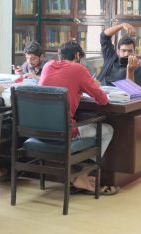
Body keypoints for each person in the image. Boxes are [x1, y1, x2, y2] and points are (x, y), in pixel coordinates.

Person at [38, 40, 118, 195]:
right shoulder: (79, 69)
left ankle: (76, 172)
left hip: (39, 130)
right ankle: (81, 175)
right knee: (107, 130)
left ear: (60, 55)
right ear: (77, 55)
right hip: (64, 132)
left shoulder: (47, 65)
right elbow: (103, 100)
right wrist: (93, 85)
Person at [98, 23, 141, 87]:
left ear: (134, 52)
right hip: (100, 91)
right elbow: (104, 36)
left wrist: (130, 70)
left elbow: (132, 90)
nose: (127, 54)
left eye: (130, 51)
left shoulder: (138, 70)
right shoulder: (111, 58)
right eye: (123, 50)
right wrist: (122, 25)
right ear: (118, 51)